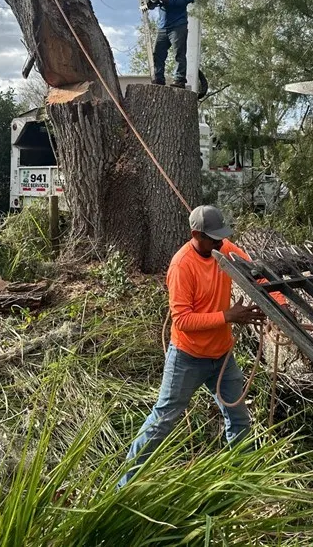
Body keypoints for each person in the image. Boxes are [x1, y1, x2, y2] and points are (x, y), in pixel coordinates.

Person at [117, 205, 263, 487]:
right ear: (196, 234)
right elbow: (182, 320)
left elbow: (256, 274)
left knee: (239, 419)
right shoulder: (182, 266)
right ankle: (124, 485)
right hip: (188, 357)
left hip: (222, 355)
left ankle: (244, 483)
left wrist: (280, 308)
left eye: (221, 237)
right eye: (213, 239)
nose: (220, 243)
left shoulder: (225, 249)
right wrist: (227, 316)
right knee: (163, 420)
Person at [152, 0, 194, 88]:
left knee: (179, 53)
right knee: (158, 54)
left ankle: (179, 79)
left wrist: (170, 1)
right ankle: (159, 79)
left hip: (178, 24)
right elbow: (151, 1)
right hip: (163, 26)